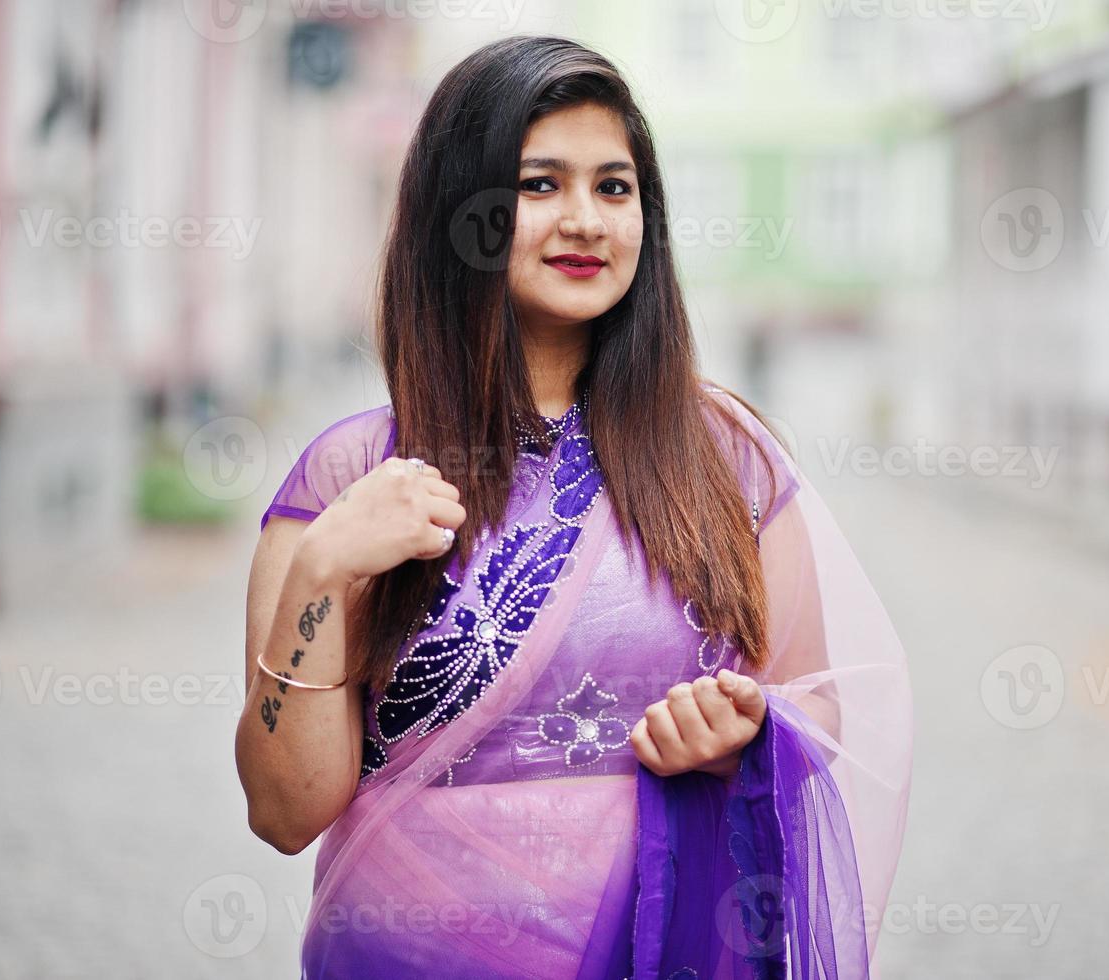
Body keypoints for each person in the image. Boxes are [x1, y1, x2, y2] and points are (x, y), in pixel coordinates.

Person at [235, 35, 912, 979]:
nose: (586, 220)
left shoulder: (723, 459)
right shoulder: (351, 475)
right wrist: (320, 573)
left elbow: (815, 700)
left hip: (662, 945)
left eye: (615, 187)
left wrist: (745, 734)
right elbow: (283, 812)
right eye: (540, 184)